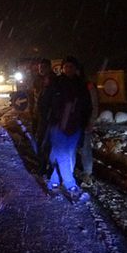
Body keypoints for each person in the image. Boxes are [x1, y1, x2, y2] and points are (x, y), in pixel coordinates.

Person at [46, 56, 92, 194]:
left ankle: (54, 182)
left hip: (75, 126)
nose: (68, 69)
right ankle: (70, 185)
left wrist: (86, 122)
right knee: (63, 155)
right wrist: (50, 118)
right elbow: (47, 103)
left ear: (75, 68)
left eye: (71, 67)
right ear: (62, 68)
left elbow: (87, 105)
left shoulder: (81, 85)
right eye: (66, 67)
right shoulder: (56, 84)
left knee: (66, 155)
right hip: (58, 126)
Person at [32, 58, 56, 177]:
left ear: (49, 68)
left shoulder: (54, 81)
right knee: (40, 142)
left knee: (48, 145)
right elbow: (36, 99)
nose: (41, 70)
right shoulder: (38, 81)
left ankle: (48, 169)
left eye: (44, 68)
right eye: (40, 68)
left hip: (50, 119)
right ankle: (42, 167)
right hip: (40, 117)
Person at [76, 64, 99, 187]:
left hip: (85, 121)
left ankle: (88, 173)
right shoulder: (72, 84)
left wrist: (91, 121)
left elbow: (94, 104)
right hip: (73, 123)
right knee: (74, 148)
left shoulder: (88, 85)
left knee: (85, 148)